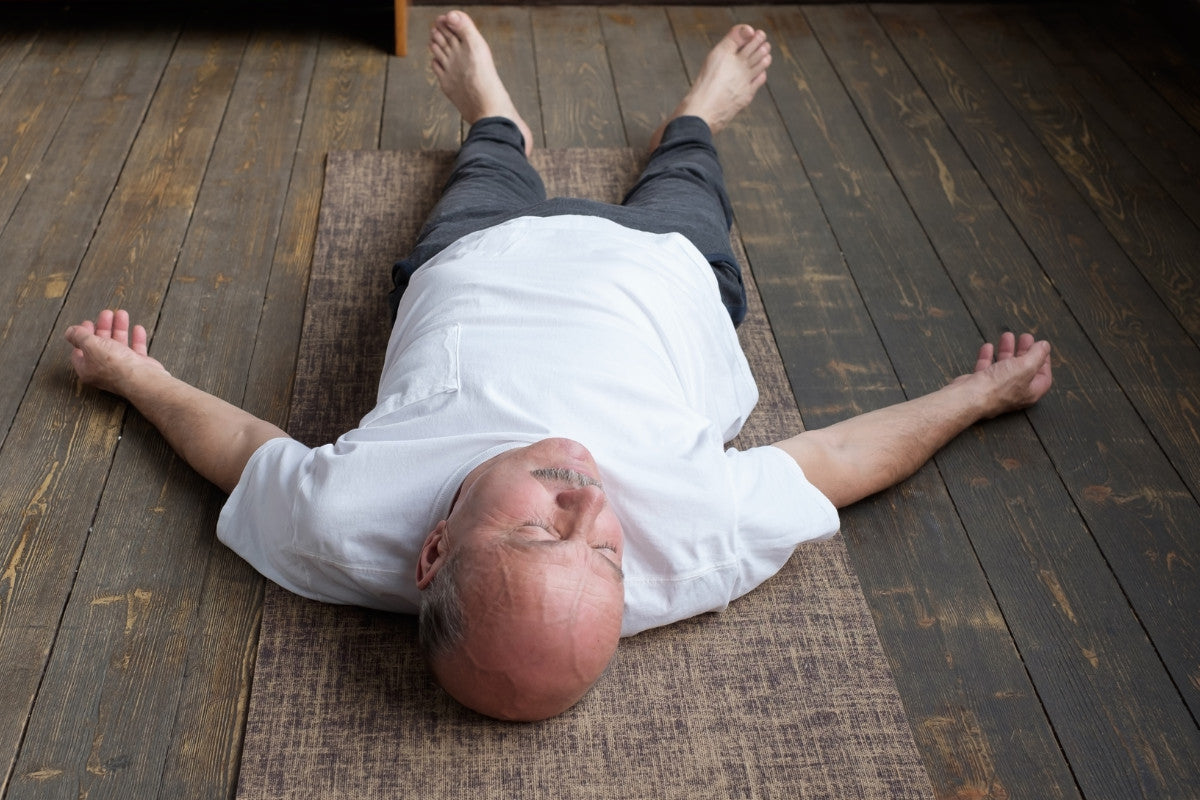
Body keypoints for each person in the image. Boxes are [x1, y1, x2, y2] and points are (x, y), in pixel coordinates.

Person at [64, 12, 1053, 723]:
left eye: (540, 533)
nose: (587, 506)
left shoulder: (339, 522)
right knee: (685, 171)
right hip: (661, 271)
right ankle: (698, 112)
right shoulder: (702, 541)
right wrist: (978, 395)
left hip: (478, 256)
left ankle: (494, 112)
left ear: (432, 550)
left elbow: (243, 447)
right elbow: (836, 457)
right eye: (611, 554)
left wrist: (135, 379)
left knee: (489, 160)